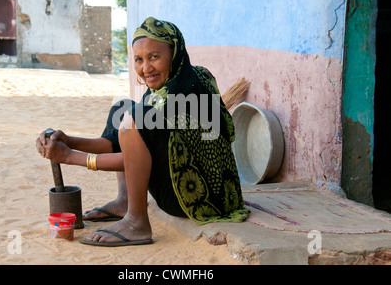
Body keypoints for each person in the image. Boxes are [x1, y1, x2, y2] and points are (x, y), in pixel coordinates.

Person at [36, 17, 250, 247]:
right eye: (138, 59)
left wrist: (70, 157)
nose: (145, 68)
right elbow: (118, 144)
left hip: (199, 197)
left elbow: (136, 158)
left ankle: (137, 221)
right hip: (190, 180)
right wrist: (69, 141)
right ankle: (125, 200)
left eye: (154, 57)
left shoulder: (181, 97)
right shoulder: (181, 79)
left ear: (174, 52)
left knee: (135, 118)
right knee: (123, 109)